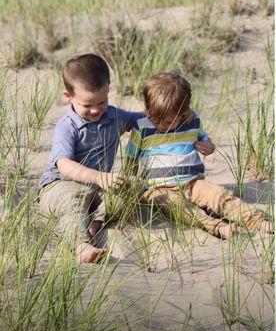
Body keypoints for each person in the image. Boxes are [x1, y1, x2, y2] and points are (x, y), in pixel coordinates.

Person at [125, 72, 273, 238]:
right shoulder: (142, 127)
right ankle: (217, 226)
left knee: (219, 196)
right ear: (148, 109)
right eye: (155, 117)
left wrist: (209, 147)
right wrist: (130, 181)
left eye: (167, 121)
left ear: (184, 111)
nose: (161, 124)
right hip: (158, 190)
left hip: (193, 183)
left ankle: (256, 221)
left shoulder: (193, 123)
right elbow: (131, 158)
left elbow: (207, 142)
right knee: (182, 209)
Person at [39, 53, 145, 263]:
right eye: (87, 105)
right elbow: (64, 164)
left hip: (97, 188)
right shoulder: (67, 126)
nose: (96, 110)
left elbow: (140, 120)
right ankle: (81, 245)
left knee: (131, 190)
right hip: (60, 186)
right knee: (72, 203)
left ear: (108, 88)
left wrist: (169, 112)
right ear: (69, 96)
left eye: (102, 101)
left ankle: (95, 224)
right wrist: (98, 177)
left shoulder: (114, 116)